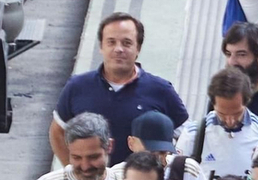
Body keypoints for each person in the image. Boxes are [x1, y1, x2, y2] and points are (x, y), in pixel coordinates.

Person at [50, 15, 187, 168]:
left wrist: (169, 170)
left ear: (138, 48)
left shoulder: (161, 90)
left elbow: (187, 135)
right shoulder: (77, 86)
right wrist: (74, 170)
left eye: (127, 43)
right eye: (111, 42)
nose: (118, 49)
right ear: (101, 47)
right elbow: (58, 131)